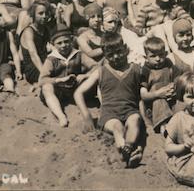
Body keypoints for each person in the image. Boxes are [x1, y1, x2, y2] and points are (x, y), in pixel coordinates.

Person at [74, 33, 145, 167]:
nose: (116, 57)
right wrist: (86, 116)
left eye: (119, 52)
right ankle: (128, 151)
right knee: (117, 128)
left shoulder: (135, 69)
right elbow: (78, 93)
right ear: (105, 55)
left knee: (135, 121)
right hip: (109, 114)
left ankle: (127, 149)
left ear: (125, 48)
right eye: (110, 55)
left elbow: (142, 94)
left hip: (130, 110)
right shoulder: (100, 71)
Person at [39, 24, 92, 127]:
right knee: (46, 87)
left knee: (96, 77)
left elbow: (95, 67)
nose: (64, 45)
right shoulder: (51, 59)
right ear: (53, 44)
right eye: (59, 43)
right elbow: (41, 80)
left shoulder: (78, 54)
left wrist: (86, 75)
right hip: (59, 91)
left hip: (75, 89)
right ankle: (61, 116)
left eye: (66, 41)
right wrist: (59, 80)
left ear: (72, 40)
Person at [20, 1, 54, 85]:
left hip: (45, 61)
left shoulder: (45, 29)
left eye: (46, 13)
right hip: (34, 67)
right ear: (33, 15)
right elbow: (33, 55)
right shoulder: (29, 31)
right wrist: (44, 73)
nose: (44, 16)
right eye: (41, 13)